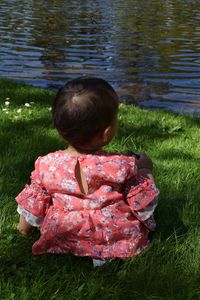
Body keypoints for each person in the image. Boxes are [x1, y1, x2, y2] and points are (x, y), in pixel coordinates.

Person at [16, 77, 159, 266]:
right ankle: (103, 256)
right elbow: (145, 204)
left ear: (60, 130)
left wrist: (24, 230)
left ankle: (74, 249)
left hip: (63, 235)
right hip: (112, 237)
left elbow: (32, 203)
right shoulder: (122, 165)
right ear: (107, 133)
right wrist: (146, 169)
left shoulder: (46, 164)